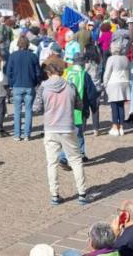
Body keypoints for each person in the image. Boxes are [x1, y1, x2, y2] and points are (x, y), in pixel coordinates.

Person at [33, 57, 88, 205]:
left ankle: (54, 195)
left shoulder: (43, 87)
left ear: (49, 72)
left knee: (52, 163)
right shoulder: (70, 85)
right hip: (67, 127)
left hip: (51, 128)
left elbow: (36, 108)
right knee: (76, 160)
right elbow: (80, 105)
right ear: (62, 71)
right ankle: (82, 193)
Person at [62, 53, 97, 163]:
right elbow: (91, 93)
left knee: (67, 131)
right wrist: (93, 107)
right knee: (78, 131)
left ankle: (81, 153)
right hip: (79, 108)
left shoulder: (66, 72)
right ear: (82, 62)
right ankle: (65, 156)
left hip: (64, 107)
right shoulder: (84, 75)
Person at [7, 35, 41, 141]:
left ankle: (17, 134)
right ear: (27, 45)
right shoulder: (33, 56)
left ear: (18, 45)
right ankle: (27, 134)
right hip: (29, 85)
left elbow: (9, 72)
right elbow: (38, 72)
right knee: (28, 110)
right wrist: (35, 82)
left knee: (17, 111)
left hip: (17, 85)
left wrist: (12, 83)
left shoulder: (13, 56)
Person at [103, 38, 131, 136]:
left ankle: (115, 126)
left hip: (114, 83)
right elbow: (129, 72)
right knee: (121, 106)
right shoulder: (125, 58)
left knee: (114, 106)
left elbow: (107, 73)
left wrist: (105, 83)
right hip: (124, 82)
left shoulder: (111, 59)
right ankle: (121, 127)